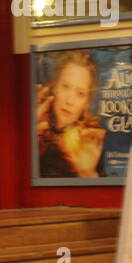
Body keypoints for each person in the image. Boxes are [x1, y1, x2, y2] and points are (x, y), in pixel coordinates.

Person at [36, 50, 106, 178]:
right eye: (65, 87)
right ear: (55, 87)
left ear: (86, 102)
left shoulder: (89, 143)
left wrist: (88, 173)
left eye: (80, 94)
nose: (70, 101)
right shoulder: (36, 126)